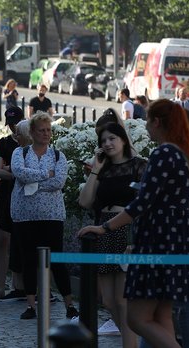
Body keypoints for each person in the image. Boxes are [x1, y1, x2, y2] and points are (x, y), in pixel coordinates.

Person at [79, 100, 189, 348]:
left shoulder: (164, 152)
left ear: (157, 122)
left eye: (147, 121)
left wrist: (104, 227)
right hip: (176, 240)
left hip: (160, 241)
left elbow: (143, 202)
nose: (145, 127)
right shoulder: (181, 152)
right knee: (161, 316)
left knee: (136, 318)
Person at [78, 121, 147, 348]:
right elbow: (85, 201)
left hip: (126, 231)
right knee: (108, 301)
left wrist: (136, 240)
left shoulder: (139, 166)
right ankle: (130, 341)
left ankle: (131, 345)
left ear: (124, 140)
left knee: (122, 299)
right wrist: (96, 169)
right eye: (103, 140)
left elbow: (144, 205)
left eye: (112, 139)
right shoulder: (103, 169)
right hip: (103, 230)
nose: (107, 144)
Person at [10, 112, 77, 320]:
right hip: (25, 215)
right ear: (32, 132)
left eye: (49, 130)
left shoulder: (58, 155)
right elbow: (19, 173)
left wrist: (34, 181)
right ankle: (31, 305)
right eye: (42, 130)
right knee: (29, 260)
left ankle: (69, 305)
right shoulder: (19, 153)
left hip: (52, 215)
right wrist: (44, 176)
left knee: (56, 260)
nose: (46, 134)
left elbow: (58, 182)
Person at [0, 108, 29, 300]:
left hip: (24, 195)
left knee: (21, 240)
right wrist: (17, 173)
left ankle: (19, 284)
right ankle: (0, 285)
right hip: (6, 194)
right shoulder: (4, 143)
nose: (14, 127)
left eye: (16, 124)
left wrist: (11, 169)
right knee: (1, 240)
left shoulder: (31, 144)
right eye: (11, 124)